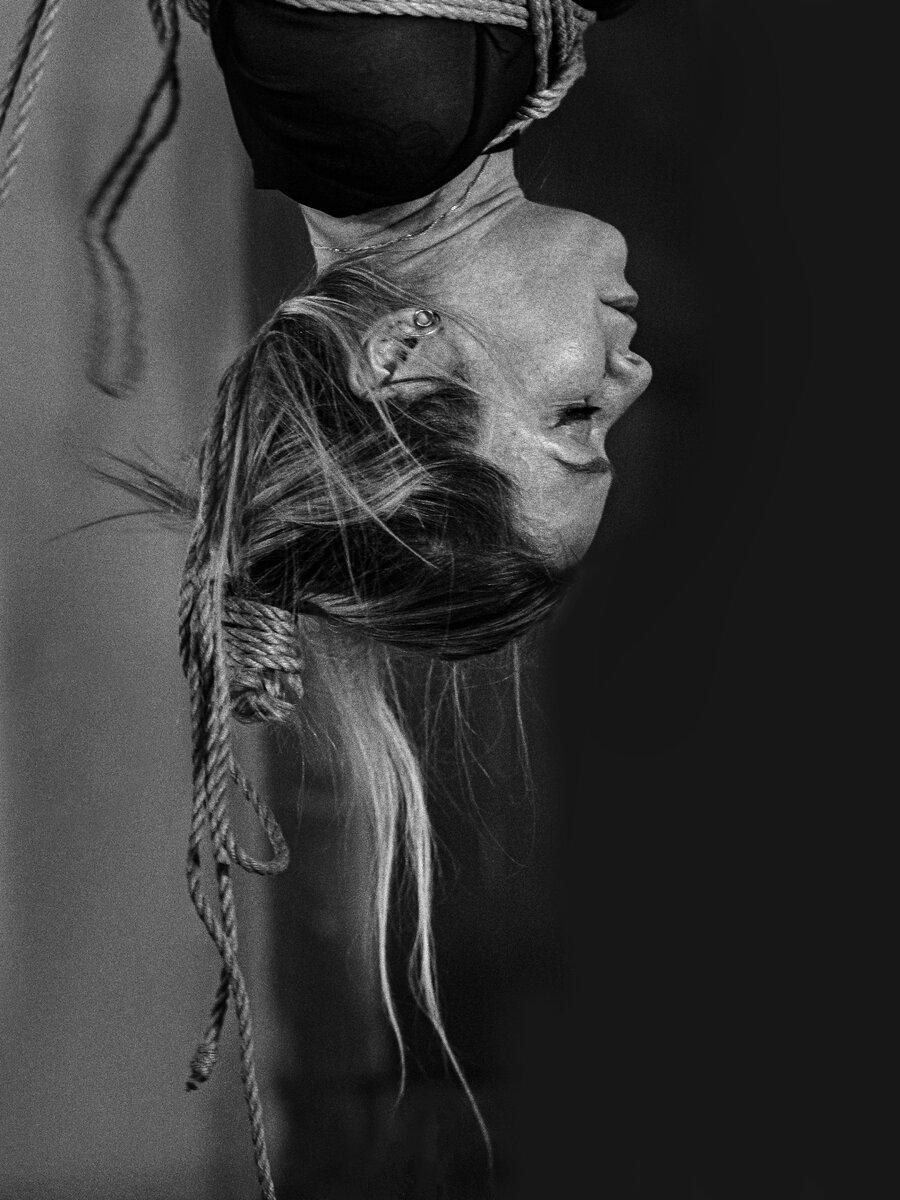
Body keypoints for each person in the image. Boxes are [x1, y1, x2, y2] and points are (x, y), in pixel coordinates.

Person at [1, 2, 649, 1196]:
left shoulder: (388, 96)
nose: (634, 374)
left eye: (574, 420)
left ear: (403, 358)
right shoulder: (404, 130)